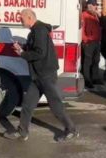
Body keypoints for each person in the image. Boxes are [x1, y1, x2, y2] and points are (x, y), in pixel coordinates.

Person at [5, 9, 78, 142]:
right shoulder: (34, 31)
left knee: (55, 105)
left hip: (45, 75)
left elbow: (40, 53)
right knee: (28, 104)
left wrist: (22, 54)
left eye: (22, 19)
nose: (20, 21)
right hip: (37, 76)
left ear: (29, 18)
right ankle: (22, 132)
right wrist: (22, 48)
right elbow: (35, 48)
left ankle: (71, 130)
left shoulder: (39, 30)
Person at [81, 0, 102, 89]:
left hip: (96, 41)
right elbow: (82, 29)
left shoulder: (95, 15)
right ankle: (87, 80)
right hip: (88, 42)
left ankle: (95, 78)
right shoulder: (84, 15)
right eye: (94, 5)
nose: (95, 7)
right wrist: (85, 39)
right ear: (89, 6)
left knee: (96, 60)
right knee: (87, 62)